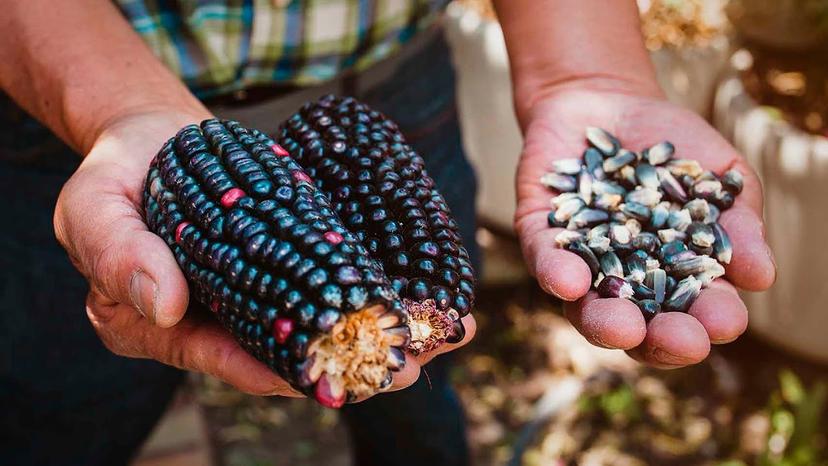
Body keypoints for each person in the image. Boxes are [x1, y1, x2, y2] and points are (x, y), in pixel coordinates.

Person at [0, 1, 775, 465]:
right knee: (66, 408)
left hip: (386, 97)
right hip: (82, 117)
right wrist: (119, 112)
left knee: (425, 387)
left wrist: (587, 72)